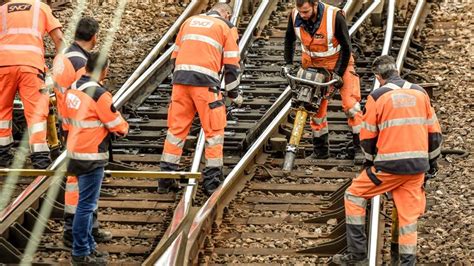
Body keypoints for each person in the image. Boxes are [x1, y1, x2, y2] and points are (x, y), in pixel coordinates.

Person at [332, 55, 442, 265]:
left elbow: (367, 137)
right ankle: (406, 262)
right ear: (396, 71)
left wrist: (370, 161)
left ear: (378, 77)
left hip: (388, 168)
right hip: (417, 167)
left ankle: (357, 255)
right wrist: (431, 164)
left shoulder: (378, 96)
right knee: (408, 218)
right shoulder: (420, 93)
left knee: (354, 195)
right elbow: (435, 135)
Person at [158, 3, 242, 195]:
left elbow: (174, 56)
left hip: (180, 83)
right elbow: (231, 65)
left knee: (176, 130)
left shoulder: (189, 21)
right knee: (214, 132)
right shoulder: (226, 27)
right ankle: (211, 182)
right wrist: (234, 94)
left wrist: (181, 78)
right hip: (205, 86)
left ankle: (166, 179)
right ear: (227, 14)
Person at [52, 17, 112, 248]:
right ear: (94, 37)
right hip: (81, 129)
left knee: (75, 179)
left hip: (68, 124)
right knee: (85, 184)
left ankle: (76, 226)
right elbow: (85, 96)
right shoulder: (80, 63)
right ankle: (81, 229)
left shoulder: (64, 54)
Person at [64, 52, 129, 265]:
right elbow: (117, 126)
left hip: (74, 153)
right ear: (104, 69)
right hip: (91, 156)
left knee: (84, 204)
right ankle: (80, 252)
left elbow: (66, 121)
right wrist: (123, 126)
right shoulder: (99, 94)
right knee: (86, 206)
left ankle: (89, 246)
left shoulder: (73, 89)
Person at [284, 0, 363, 160]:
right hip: (312, 66)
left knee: (351, 106)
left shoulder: (334, 16)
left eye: (306, 12)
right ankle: (320, 151)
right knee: (315, 109)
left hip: (339, 64)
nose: (303, 15)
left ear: (314, 5)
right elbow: (289, 39)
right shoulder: (295, 16)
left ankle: (361, 149)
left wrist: (338, 74)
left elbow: (347, 46)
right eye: (300, 12)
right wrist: (288, 63)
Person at [0, 0, 63, 169]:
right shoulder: (41, 8)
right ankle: (40, 157)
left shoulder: (3, 9)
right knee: (36, 111)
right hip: (31, 66)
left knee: (2, 110)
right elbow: (59, 38)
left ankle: (2, 155)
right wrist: (60, 65)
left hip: (3, 65)